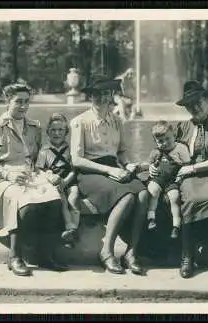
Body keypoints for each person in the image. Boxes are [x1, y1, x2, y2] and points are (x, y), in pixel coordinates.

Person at [0, 80, 68, 277]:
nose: (24, 106)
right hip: (2, 179)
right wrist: (9, 174)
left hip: (30, 175)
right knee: (24, 202)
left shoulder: (34, 127)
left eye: (27, 101)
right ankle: (15, 256)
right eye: (19, 101)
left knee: (53, 198)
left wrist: (46, 173)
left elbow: (37, 159)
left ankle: (45, 254)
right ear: (7, 101)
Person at [150, 80, 208, 279]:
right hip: (188, 176)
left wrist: (192, 167)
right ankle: (187, 256)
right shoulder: (181, 127)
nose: (194, 107)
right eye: (189, 104)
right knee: (188, 200)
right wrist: (152, 164)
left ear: (207, 100)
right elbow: (164, 147)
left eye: (198, 102)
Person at [70, 76, 150, 276]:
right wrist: (110, 170)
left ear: (111, 96)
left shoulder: (117, 121)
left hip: (114, 168)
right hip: (91, 172)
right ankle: (107, 251)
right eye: (96, 94)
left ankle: (131, 252)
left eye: (105, 94)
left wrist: (130, 165)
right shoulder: (80, 122)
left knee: (143, 195)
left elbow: (121, 152)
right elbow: (76, 160)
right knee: (127, 196)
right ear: (91, 96)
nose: (101, 98)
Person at [36, 112, 81, 249]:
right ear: (48, 132)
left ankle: (73, 228)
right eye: (53, 130)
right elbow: (39, 169)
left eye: (60, 130)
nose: (57, 133)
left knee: (74, 196)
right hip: (54, 181)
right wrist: (50, 178)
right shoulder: (44, 151)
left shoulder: (71, 149)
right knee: (61, 199)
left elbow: (75, 169)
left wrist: (67, 181)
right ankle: (69, 227)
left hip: (69, 179)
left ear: (66, 131)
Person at [145, 120, 191, 239]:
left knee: (174, 197)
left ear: (174, 136)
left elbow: (187, 164)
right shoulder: (156, 152)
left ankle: (176, 226)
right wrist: (150, 167)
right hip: (158, 178)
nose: (164, 143)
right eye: (160, 141)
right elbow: (148, 165)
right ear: (155, 141)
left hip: (173, 180)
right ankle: (151, 218)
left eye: (168, 139)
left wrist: (182, 173)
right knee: (153, 191)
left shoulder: (180, 148)